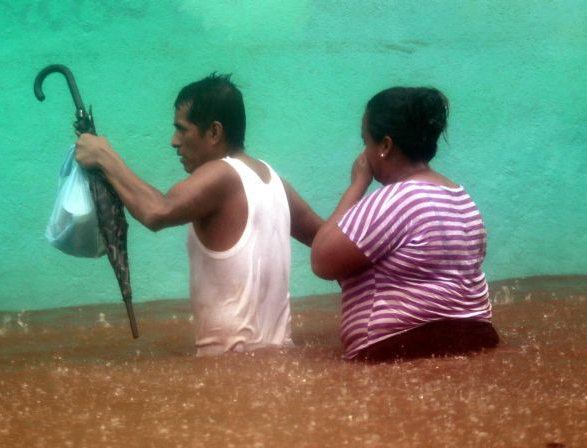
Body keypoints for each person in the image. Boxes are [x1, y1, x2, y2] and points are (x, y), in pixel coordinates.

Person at [74, 73, 322, 356]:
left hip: (228, 370)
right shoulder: (274, 181)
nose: (173, 141)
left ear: (214, 132)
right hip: (277, 361)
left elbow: (157, 211)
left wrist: (105, 156)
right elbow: (326, 239)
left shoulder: (221, 175)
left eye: (182, 130)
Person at [311, 86, 499, 361]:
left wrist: (357, 184)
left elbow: (321, 260)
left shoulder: (392, 200)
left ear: (385, 146)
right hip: (478, 339)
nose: (364, 152)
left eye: (366, 142)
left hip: (401, 349)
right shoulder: (461, 198)